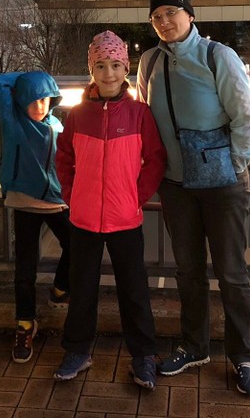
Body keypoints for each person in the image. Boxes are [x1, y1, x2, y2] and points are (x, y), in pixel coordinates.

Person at [138, 0, 250, 395]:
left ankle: (242, 355)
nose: (164, 21)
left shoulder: (217, 55)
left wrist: (234, 164)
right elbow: (145, 116)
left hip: (223, 184)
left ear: (190, 15)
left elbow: (246, 116)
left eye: (172, 12)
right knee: (188, 272)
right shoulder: (149, 61)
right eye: (157, 16)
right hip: (176, 185)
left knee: (231, 273)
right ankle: (194, 346)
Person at [52, 31, 167, 389]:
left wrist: (137, 196)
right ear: (91, 70)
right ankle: (77, 350)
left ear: (125, 69)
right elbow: (64, 159)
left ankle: (143, 357)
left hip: (125, 218)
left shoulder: (139, 114)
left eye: (115, 65)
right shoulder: (77, 115)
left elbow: (155, 160)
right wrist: (73, 195)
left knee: (134, 290)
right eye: (100, 66)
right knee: (81, 287)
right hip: (83, 219)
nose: (108, 73)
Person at [0, 71, 72, 364]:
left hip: (54, 200)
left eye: (45, 98)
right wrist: (28, 78)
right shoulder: (12, 122)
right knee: (25, 270)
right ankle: (25, 325)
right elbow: (0, 83)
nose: (39, 105)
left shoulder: (57, 125)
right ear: (21, 101)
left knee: (77, 246)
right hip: (24, 201)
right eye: (33, 99)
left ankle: (60, 289)